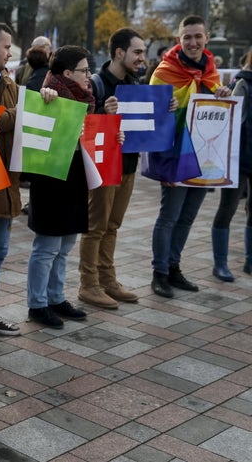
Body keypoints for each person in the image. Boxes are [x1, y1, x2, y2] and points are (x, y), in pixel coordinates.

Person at [0, 20, 58, 336]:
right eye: (7, 47)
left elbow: (10, 118)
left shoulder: (6, 78)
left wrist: (41, 100)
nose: (11, 54)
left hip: (6, 182)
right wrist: (25, 110)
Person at [78, 28, 177, 309]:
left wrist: (167, 107)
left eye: (143, 52)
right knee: (96, 226)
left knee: (113, 224)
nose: (142, 58)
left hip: (128, 164)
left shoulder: (136, 84)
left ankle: (108, 280)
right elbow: (82, 127)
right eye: (137, 52)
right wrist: (101, 113)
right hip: (103, 166)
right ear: (119, 53)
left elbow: (148, 125)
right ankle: (89, 284)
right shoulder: (96, 84)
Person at [149, 15, 231, 297]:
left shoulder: (211, 70)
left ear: (206, 38)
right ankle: (159, 273)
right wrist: (165, 107)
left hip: (204, 155)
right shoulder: (163, 72)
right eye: (188, 37)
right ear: (178, 40)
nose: (193, 42)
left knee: (187, 217)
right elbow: (152, 117)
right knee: (169, 216)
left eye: (198, 36)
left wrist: (221, 93)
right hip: (173, 155)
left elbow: (213, 111)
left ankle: (174, 267)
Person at [26, 46, 98, 329]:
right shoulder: (49, 94)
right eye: (84, 70)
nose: (89, 75)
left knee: (66, 243)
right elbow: (36, 122)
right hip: (51, 179)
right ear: (67, 73)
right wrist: (46, 99)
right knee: (47, 246)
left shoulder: (86, 97)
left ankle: (56, 297)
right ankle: (37, 304)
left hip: (75, 177)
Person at [211, 49, 252, 281]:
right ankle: (220, 264)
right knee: (228, 208)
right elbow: (233, 118)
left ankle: (250, 261)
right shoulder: (243, 82)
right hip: (238, 157)